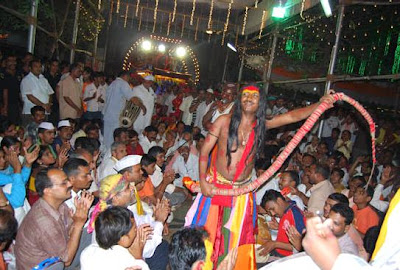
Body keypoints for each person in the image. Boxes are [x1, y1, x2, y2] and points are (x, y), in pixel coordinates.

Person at [185, 85, 335, 269]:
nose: (248, 98)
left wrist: (319, 104)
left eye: (254, 96)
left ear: (260, 102)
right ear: (239, 100)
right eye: (245, 95)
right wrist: (202, 181)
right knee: (205, 234)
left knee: (234, 237)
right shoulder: (224, 121)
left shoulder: (262, 124)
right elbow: (205, 151)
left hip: (241, 191)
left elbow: (292, 116)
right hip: (216, 186)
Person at [15, 168, 93, 269]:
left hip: (59, 254)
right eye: (64, 183)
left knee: (94, 230)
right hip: (45, 267)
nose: (70, 184)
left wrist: (80, 214)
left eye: (67, 180)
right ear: (48, 191)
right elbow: (66, 261)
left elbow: (70, 232)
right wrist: (78, 224)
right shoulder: (43, 221)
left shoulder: (60, 205)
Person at [81, 206, 150, 270]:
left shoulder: (88, 252)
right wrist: (138, 257)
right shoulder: (126, 259)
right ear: (123, 239)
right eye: (135, 228)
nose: (137, 230)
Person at [103, 71, 146, 147]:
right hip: (115, 116)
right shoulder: (123, 84)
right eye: (129, 77)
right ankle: (111, 155)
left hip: (107, 116)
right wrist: (142, 106)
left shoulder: (112, 84)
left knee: (107, 138)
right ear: (126, 76)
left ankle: (106, 154)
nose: (129, 79)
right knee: (114, 139)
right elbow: (133, 99)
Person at [259, 190, 305, 257]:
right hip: (278, 251)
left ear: (279, 201)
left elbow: (300, 246)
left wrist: (275, 244)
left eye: (273, 209)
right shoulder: (285, 211)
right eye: (269, 212)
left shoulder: (295, 214)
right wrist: (279, 227)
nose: (272, 213)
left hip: (287, 256)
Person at [20, 59, 54, 126]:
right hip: (30, 113)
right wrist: (43, 105)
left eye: (40, 66)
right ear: (30, 68)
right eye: (36, 66)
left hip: (44, 112)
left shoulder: (44, 79)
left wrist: (48, 105)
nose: (38, 68)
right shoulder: (26, 80)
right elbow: (30, 96)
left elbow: (50, 93)